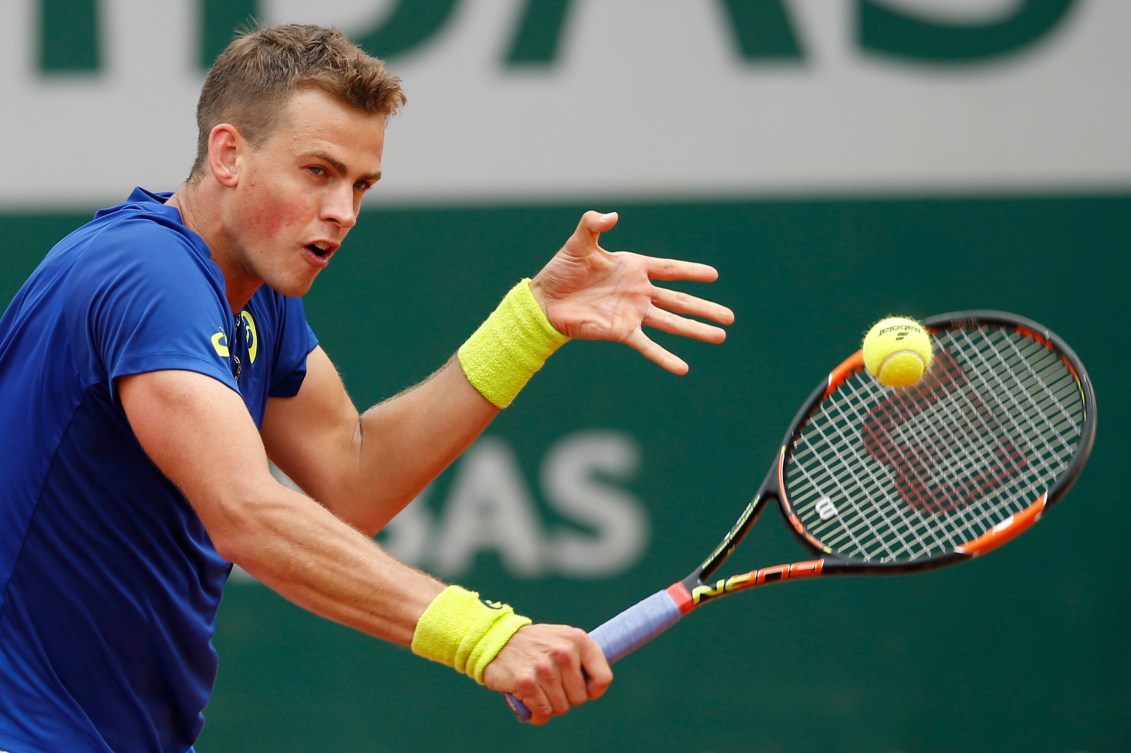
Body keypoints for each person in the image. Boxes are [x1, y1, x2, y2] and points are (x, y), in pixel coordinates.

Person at [0, 23, 733, 753]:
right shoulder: (146, 271)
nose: (344, 211)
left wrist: (530, 323)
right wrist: (483, 635)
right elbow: (246, 510)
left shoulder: (256, 295)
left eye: (361, 184)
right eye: (317, 171)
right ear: (228, 154)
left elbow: (353, 478)